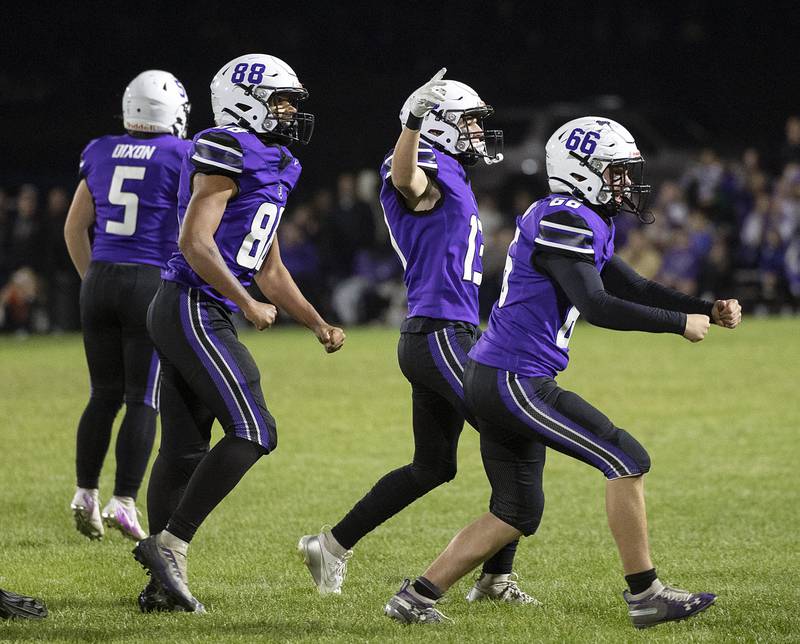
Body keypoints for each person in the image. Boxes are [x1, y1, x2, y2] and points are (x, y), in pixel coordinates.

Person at [383, 117, 742, 628]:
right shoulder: (565, 219)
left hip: (500, 375)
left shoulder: (577, 217)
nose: (627, 183)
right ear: (583, 172)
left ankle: (416, 597)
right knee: (626, 457)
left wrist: (704, 306)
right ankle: (646, 595)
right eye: (616, 172)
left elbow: (632, 287)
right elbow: (595, 305)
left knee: (515, 511)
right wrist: (678, 324)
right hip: (514, 379)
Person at [299, 69, 536, 605]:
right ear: (440, 125)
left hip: (443, 333)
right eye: (470, 122)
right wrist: (410, 120)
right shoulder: (421, 163)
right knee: (513, 433)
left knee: (434, 466)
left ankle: (331, 545)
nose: (479, 131)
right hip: (440, 334)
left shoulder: (454, 170)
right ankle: (496, 579)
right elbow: (405, 179)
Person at [132, 53, 345, 614]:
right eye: (279, 100)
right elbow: (194, 241)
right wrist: (244, 300)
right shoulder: (226, 144)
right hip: (191, 305)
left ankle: (161, 587)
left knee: (182, 449)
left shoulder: (276, 162)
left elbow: (269, 267)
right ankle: (170, 547)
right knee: (254, 428)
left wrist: (315, 320)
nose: (289, 111)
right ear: (245, 99)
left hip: (200, 308)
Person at [63, 70, 192, 541]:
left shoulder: (99, 149)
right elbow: (189, 229)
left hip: (98, 278)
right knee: (143, 396)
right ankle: (123, 500)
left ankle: (84, 493)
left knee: (102, 394)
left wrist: (94, 282)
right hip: (147, 280)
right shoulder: (182, 153)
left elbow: (74, 228)